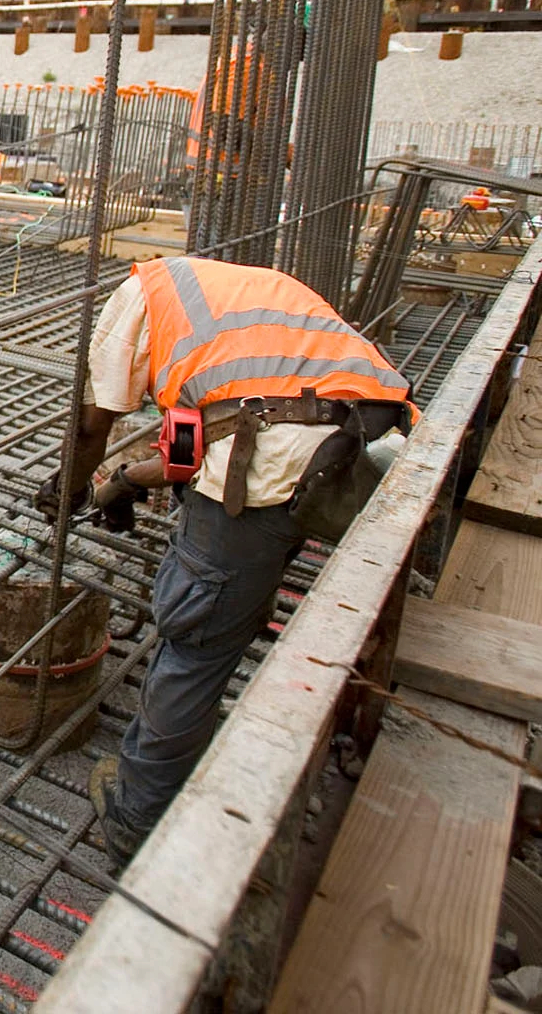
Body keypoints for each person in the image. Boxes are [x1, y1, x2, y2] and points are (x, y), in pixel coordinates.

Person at [37, 255, 413, 869]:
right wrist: (128, 481)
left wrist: (72, 491)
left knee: (194, 640)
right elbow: (209, 433)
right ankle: (243, 605)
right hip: (368, 454)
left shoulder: (138, 299)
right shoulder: (242, 305)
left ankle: (137, 817)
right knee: (244, 579)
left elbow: (89, 426)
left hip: (276, 466)